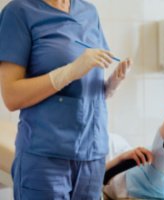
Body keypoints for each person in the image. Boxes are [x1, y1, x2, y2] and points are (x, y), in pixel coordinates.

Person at [0, 0, 131, 199]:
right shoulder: (19, 12)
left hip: (92, 156)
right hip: (45, 158)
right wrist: (69, 72)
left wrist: (111, 85)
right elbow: (11, 96)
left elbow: (86, 91)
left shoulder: (89, 12)